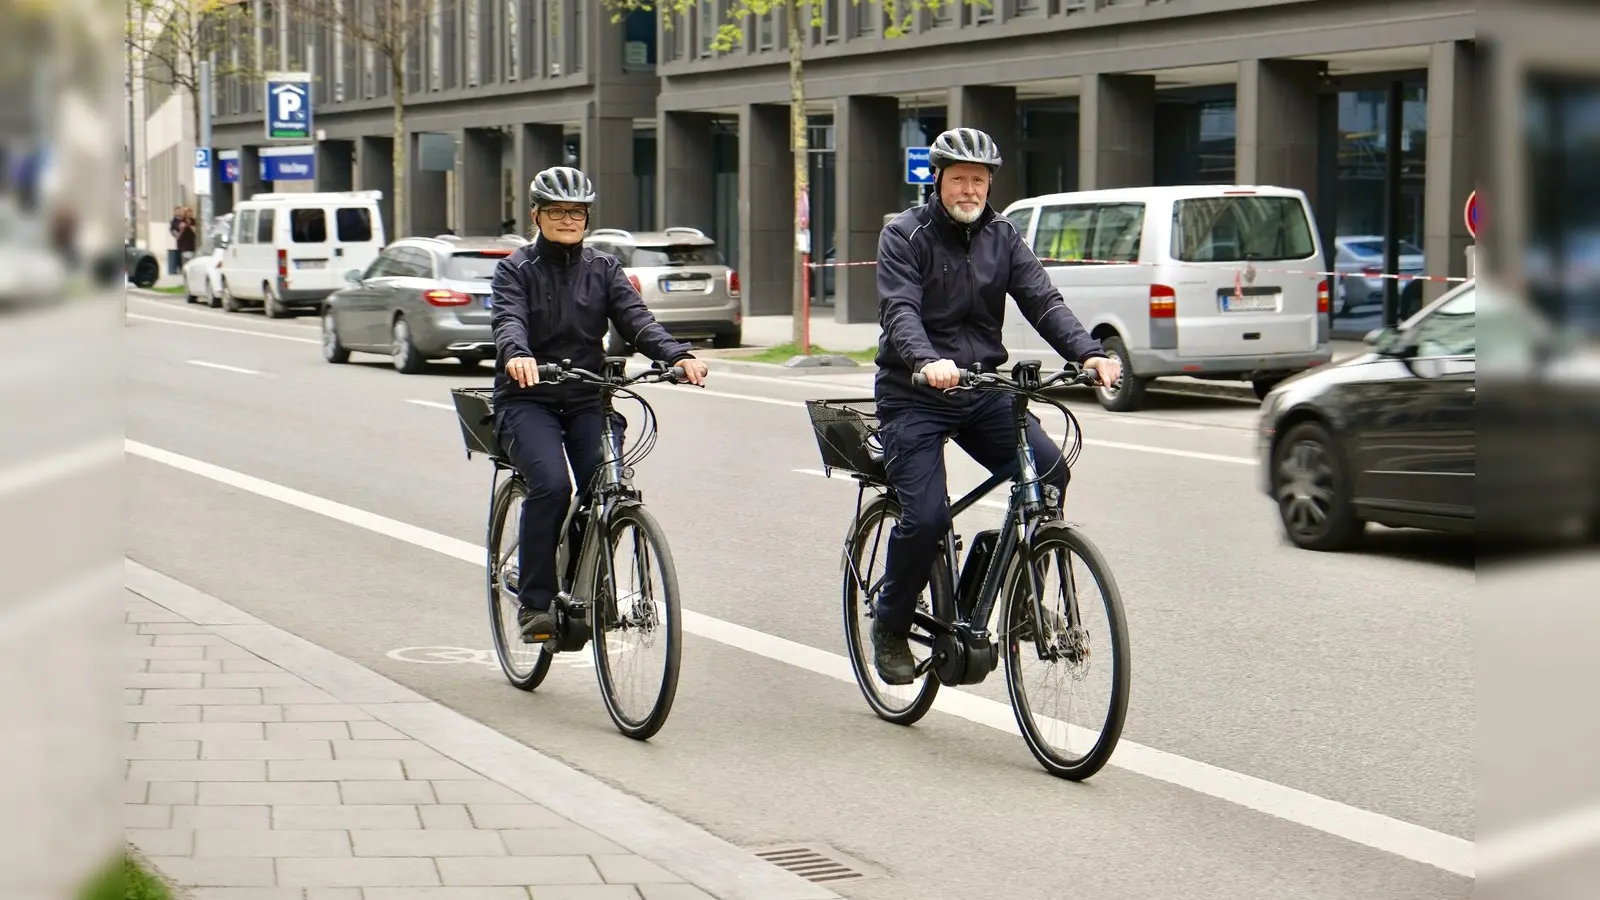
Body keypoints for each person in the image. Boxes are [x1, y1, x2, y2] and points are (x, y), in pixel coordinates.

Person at [868, 127, 1122, 685]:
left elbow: (1043, 300)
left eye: (978, 180)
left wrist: (1089, 352)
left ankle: (1019, 588)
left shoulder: (1003, 237)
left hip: (981, 391)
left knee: (1049, 470)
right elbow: (899, 311)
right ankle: (890, 622)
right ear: (937, 181)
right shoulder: (904, 236)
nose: (968, 190)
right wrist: (925, 359)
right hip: (914, 394)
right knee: (928, 516)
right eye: (958, 179)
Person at [490, 165, 711, 643]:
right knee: (551, 485)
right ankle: (535, 602)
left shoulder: (604, 268)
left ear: (587, 218)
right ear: (537, 215)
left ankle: (585, 587)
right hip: (529, 400)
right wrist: (518, 355)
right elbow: (508, 320)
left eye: (577, 211)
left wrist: (676, 354)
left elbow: (637, 320)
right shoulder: (515, 268)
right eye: (557, 211)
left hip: (589, 396)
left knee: (605, 489)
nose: (568, 219)